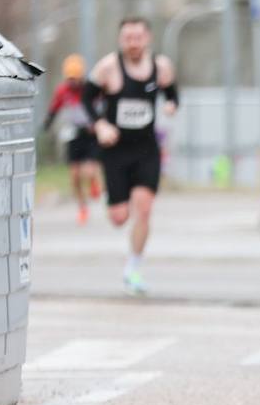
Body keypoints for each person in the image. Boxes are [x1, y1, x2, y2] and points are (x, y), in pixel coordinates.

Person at [81, 17, 179, 295]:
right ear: (121, 40)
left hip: (147, 149)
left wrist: (172, 105)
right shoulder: (108, 67)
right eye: (128, 38)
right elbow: (87, 100)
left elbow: (173, 94)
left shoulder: (161, 67)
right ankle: (114, 199)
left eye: (138, 37)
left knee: (145, 209)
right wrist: (100, 125)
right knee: (119, 218)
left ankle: (134, 268)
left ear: (147, 38)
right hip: (115, 151)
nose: (133, 43)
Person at [42, 53, 102, 224]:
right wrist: (47, 124)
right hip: (73, 133)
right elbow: (54, 109)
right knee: (75, 176)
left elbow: (104, 104)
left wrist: (100, 121)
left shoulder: (90, 89)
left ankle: (94, 181)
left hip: (90, 133)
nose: (73, 81)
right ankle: (82, 207)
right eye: (70, 78)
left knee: (89, 170)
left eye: (76, 77)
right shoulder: (63, 91)